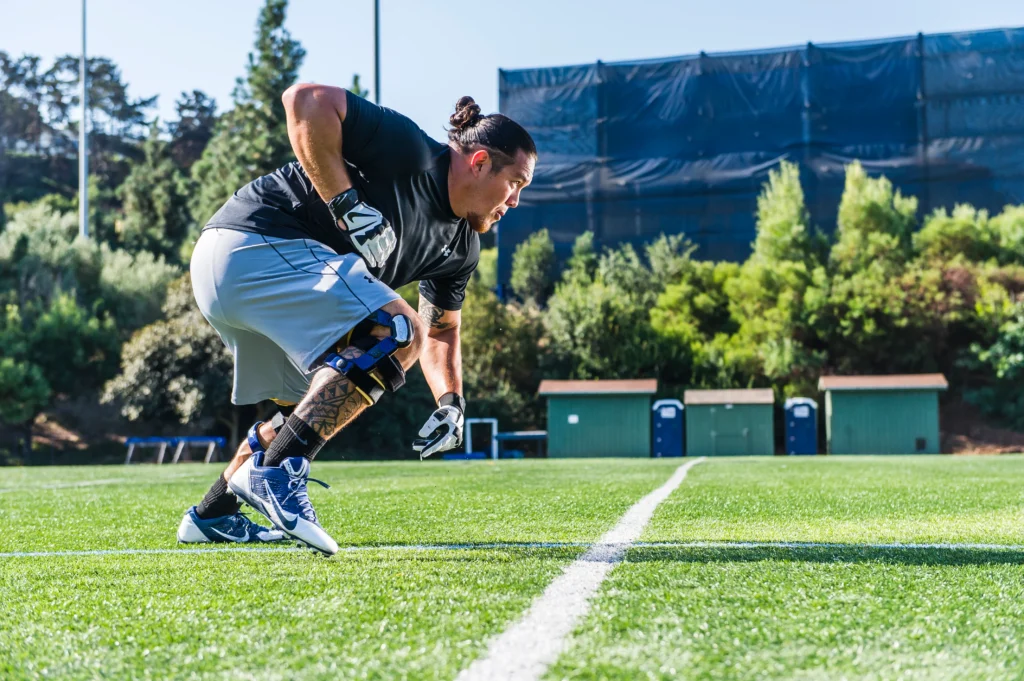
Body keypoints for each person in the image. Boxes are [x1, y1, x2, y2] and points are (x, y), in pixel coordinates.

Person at [175, 85, 536, 555]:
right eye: (517, 184)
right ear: (481, 161)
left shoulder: (461, 246)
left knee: (303, 409)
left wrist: (452, 401)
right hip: (250, 244)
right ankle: (277, 473)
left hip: (239, 275)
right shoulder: (411, 151)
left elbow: (444, 327)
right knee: (399, 331)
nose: (515, 201)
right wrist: (345, 201)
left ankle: (212, 514)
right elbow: (304, 100)